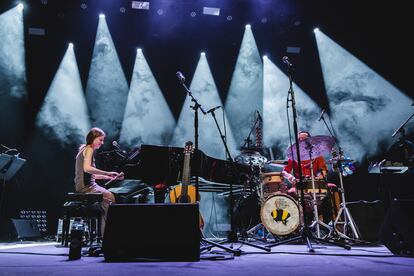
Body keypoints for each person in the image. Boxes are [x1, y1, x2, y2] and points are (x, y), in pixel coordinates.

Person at [74, 127, 123, 237]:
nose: (102, 142)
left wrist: (108, 176)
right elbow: (87, 168)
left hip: (84, 185)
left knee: (108, 199)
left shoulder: (84, 149)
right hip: (86, 187)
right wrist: (106, 172)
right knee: (110, 198)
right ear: (93, 138)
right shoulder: (89, 149)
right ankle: (107, 235)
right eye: (100, 140)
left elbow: (91, 175)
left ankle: (103, 233)